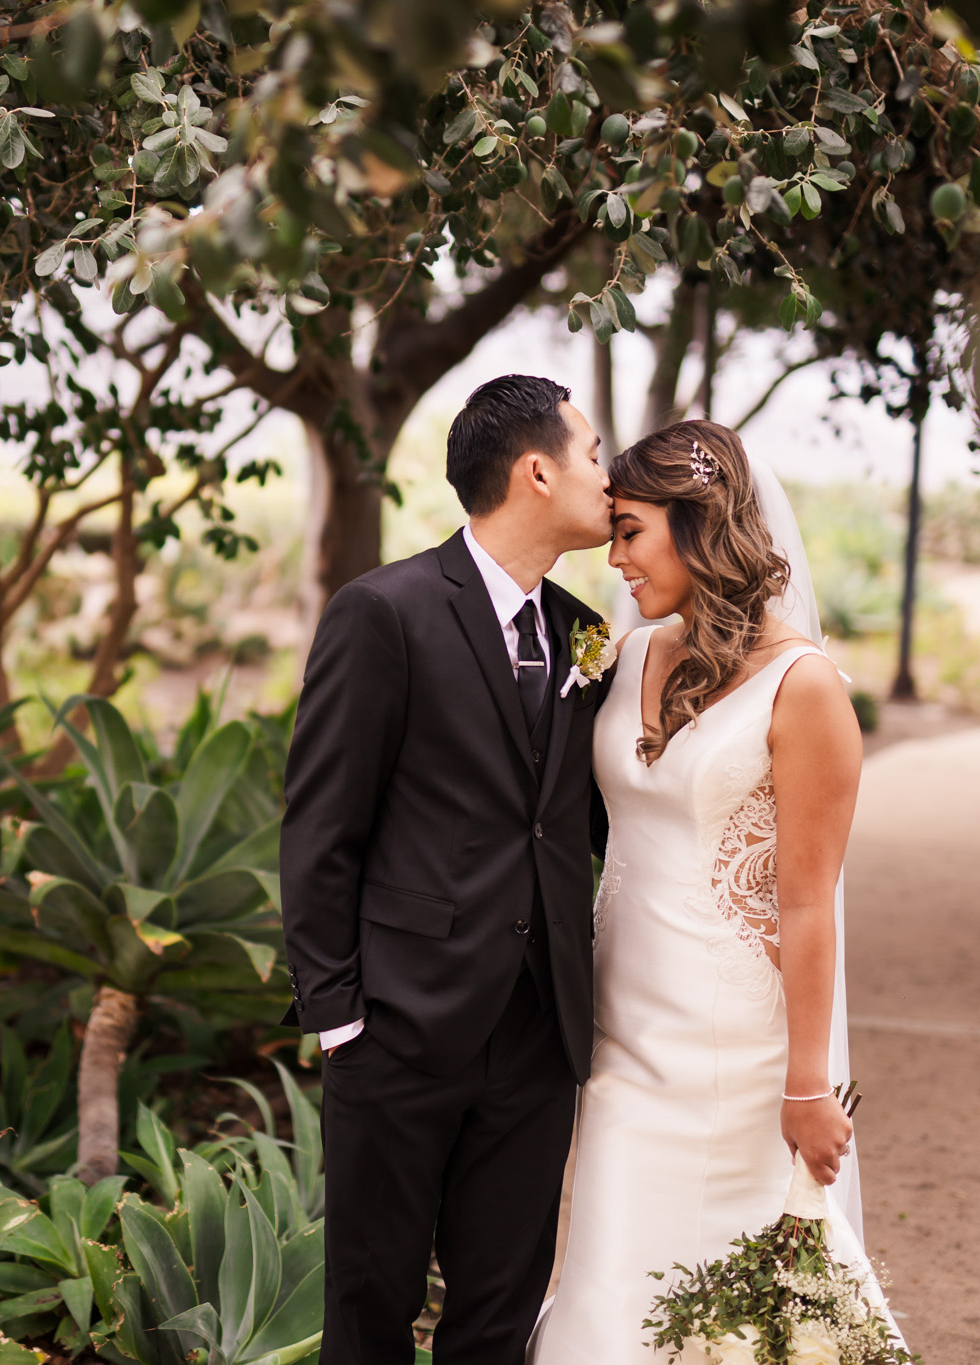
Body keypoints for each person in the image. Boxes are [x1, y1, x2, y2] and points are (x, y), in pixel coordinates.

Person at [529, 418, 908, 1360]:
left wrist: (809, 1086)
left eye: (631, 531)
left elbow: (811, 901)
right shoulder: (622, 659)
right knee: (609, 1279)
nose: (613, 558)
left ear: (698, 526)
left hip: (736, 1050)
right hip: (621, 1036)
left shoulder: (805, 687)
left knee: (733, 1299)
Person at [279, 374, 615, 1365]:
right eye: (593, 453)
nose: (608, 473)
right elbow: (320, 823)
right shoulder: (382, 613)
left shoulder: (583, 633)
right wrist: (337, 1015)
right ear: (536, 469)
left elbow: (583, 822)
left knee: (497, 1318)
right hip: (397, 1026)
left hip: (533, 1035)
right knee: (370, 1308)